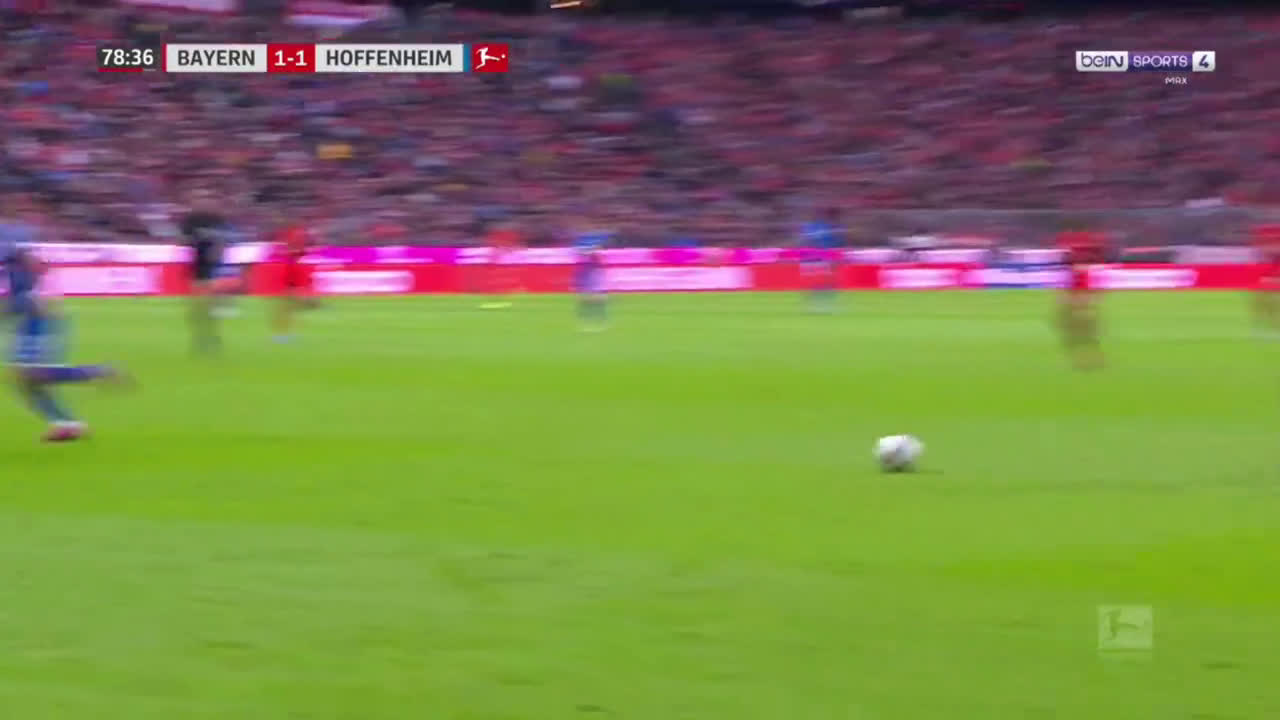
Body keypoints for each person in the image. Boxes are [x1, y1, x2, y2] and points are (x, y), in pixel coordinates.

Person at [2, 198, 132, 442]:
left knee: (31, 375)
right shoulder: (12, 235)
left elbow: (34, 263)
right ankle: (67, 424)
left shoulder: (10, 234)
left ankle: (101, 372)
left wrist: (35, 294)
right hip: (26, 313)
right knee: (24, 379)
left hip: (35, 315)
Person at [181, 191, 236, 353]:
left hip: (215, 269)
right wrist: (194, 242)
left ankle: (211, 338)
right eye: (200, 200)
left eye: (207, 200)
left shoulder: (218, 220)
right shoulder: (191, 221)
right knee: (199, 308)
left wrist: (219, 249)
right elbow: (183, 240)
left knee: (210, 307)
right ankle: (201, 338)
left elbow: (228, 240)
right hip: (197, 269)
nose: (204, 203)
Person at [1057, 226, 1106, 370]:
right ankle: (1089, 359)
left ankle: (1091, 359)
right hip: (1080, 310)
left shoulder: (1081, 275)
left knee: (1084, 335)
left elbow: (1085, 293)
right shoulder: (1077, 275)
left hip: (1081, 310)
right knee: (1082, 335)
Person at [274, 218, 317, 342]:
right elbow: (292, 253)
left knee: (289, 308)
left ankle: (286, 334)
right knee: (287, 308)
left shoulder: (292, 243)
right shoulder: (288, 243)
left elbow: (295, 253)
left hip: (293, 277)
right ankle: (282, 334)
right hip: (290, 277)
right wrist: (305, 252)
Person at [800, 207, 843, 313]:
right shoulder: (809, 227)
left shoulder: (824, 227)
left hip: (821, 257)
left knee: (826, 279)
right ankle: (816, 301)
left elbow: (831, 242)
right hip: (812, 258)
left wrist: (831, 256)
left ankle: (823, 300)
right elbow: (807, 241)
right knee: (816, 280)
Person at [574, 223, 610, 330]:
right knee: (590, 300)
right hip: (590, 279)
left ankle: (597, 319)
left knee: (597, 300)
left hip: (593, 279)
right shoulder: (587, 260)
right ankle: (588, 319)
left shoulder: (593, 260)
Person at [1252, 224, 1280, 336]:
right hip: (1271, 277)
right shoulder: (1272, 254)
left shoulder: (1273, 253)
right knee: (1264, 298)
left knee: (1266, 299)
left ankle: (1270, 319)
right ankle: (1268, 319)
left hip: (1273, 278)